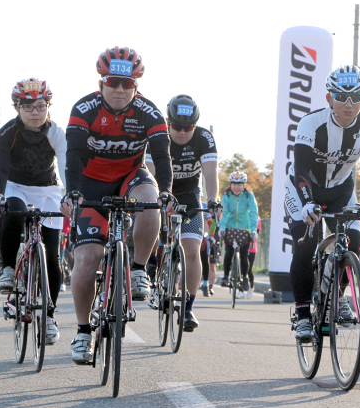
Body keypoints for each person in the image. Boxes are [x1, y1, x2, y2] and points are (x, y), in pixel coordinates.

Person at [62, 46, 173, 364]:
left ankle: (138, 269)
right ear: (101, 84)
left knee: (151, 202)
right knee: (86, 261)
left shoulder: (150, 113)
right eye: (113, 82)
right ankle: (83, 331)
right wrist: (73, 192)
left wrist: (166, 190)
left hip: (130, 177)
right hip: (90, 183)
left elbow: (162, 158)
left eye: (128, 84)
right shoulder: (84, 109)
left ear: (136, 86)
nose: (120, 89)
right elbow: (73, 157)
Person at [286, 65, 360, 341]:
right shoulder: (310, 123)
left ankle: (338, 296)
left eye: (356, 97)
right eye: (341, 97)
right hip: (304, 188)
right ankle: (303, 315)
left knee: (353, 242)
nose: (349, 104)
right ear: (329, 99)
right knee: (307, 243)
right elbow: (300, 167)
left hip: (341, 190)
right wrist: (306, 203)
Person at [0, 78, 66, 344]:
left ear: (48, 107)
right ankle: (9, 267)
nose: (35, 113)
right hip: (15, 186)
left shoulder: (56, 132)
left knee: (52, 255)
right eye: (28, 107)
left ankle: (49, 316)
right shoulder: (6, 133)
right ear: (17, 109)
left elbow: (66, 166)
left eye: (41, 106)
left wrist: (70, 195)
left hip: (48, 190)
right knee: (13, 212)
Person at [145, 95, 218, 330]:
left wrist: (213, 200)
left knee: (192, 250)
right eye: (177, 126)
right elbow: (149, 172)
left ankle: (188, 308)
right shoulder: (157, 135)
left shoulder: (204, 138)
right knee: (151, 227)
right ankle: (151, 266)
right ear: (168, 122)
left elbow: (210, 174)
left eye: (188, 127)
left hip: (189, 195)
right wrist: (158, 200)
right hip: (160, 190)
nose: (182, 132)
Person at [219, 171, 259, 298]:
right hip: (230, 228)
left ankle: (245, 277)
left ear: (244, 185)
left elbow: (253, 213)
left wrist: (253, 230)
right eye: (234, 184)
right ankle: (225, 276)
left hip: (244, 229)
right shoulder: (226, 196)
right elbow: (223, 213)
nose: (236, 187)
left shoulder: (249, 196)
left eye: (239, 184)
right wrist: (222, 228)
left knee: (244, 256)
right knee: (229, 253)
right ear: (230, 184)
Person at [245, 218, 262, 299]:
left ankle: (251, 287)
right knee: (241, 268)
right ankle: (241, 289)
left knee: (249, 269)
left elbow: (257, 232)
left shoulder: (257, 219)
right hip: (242, 245)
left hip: (251, 248)